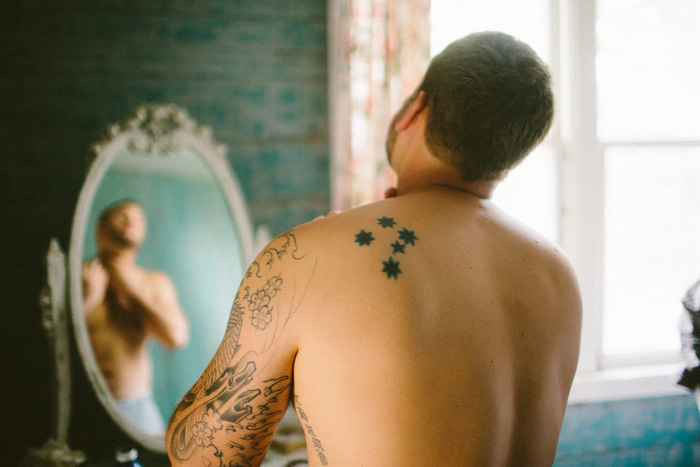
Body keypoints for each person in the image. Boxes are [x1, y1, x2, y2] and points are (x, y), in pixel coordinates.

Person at [166, 31, 581, 466]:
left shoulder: (309, 259)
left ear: (416, 109)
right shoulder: (557, 275)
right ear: (512, 153)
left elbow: (201, 459)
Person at [83, 200, 189, 435]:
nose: (131, 221)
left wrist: (132, 289)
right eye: (122, 215)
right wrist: (88, 300)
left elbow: (176, 338)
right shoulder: (79, 278)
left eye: (139, 218)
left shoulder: (153, 283)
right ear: (100, 228)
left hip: (137, 408)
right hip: (86, 408)